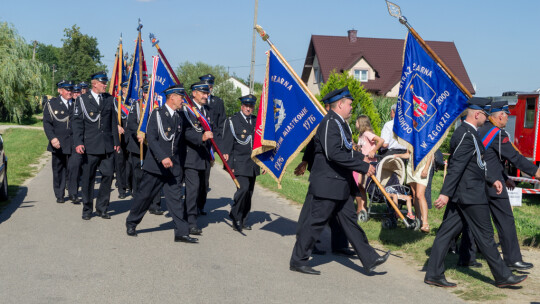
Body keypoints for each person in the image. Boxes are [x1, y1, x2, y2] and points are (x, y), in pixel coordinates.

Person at [424, 97, 527, 288]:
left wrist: (493, 179)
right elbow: (456, 166)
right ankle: (503, 276)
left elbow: (476, 165)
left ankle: (433, 274)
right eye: (485, 114)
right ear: (477, 114)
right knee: (486, 235)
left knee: (446, 234)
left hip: (465, 192)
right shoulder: (466, 134)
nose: (487, 118)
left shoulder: (470, 133)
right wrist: (445, 193)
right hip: (470, 194)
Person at [289, 86, 389, 275]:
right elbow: (333, 153)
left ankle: (370, 258)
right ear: (340, 104)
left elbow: (345, 150)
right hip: (328, 184)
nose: (352, 108)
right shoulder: (329, 123)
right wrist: (362, 167)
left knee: (350, 222)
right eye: (350, 104)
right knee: (315, 222)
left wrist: (362, 159)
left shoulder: (340, 123)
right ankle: (298, 260)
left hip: (339, 184)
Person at [463, 99, 539, 270]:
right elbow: (516, 158)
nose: (507, 119)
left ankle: (467, 256)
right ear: (501, 115)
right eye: (506, 115)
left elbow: (489, 159)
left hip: (480, 180)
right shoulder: (497, 134)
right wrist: (536, 173)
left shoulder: (483, 130)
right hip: (492, 184)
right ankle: (512, 259)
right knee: (505, 220)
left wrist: (505, 176)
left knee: (474, 220)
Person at [125, 84, 197, 243]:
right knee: (144, 196)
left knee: (176, 199)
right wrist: (163, 157)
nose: (182, 100)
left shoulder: (179, 116)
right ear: (172, 97)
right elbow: (152, 138)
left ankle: (181, 232)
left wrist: (203, 137)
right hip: (156, 166)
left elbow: (183, 138)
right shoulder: (156, 114)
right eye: (180, 97)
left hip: (173, 167)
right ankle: (132, 222)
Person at [72, 72, 120, 220]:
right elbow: (77, 123)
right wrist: (79, 142)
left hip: (107, 145)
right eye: (103, 83)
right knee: (88, 178)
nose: (106, 85)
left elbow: (113, 122)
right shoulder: (82, 100)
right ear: (94, 84)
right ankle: (87, 208)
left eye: (106, 82)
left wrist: (116, 142)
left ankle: (102, 207)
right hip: (90, 145)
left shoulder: (109, 99)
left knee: (107, 176)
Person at [222, 94, 261, 232]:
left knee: (249, 193)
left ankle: (244, 219)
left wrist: (265, 163)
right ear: (241, 106)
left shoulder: (257, 122)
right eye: (246, 106)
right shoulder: (233, 121)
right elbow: (227, 144)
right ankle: (235, 216)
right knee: (243, 189)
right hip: (239, 162)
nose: (248, 109)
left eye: (251, 106)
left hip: (253, 164)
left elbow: (261, 144)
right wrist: (229, 165)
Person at [126, 83, 163, 215]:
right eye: (146, 92)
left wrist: (149, 136)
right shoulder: (136, 105)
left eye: (150, 93)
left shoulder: (158, 107)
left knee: (155, 175)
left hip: (153, 147)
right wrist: (142, 134)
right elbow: (131, 124)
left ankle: (155, 204)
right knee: (139, 176)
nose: (148, 95)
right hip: (138, 146)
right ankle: (138, 201)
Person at [182, 81, 214, 234]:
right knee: (193, 190)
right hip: (191, 156)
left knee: (201, 188)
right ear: (194, 93)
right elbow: (186, 132)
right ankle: (191, 222)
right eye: (202, 93)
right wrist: (200, 137)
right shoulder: (186, 110)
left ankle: (185, 213)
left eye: (207, 93)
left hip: (204, 156)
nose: (205, 96)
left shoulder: (207, 110)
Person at [43, 80, 75, 203]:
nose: (69, 92)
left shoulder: (77, 103)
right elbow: (47, 123)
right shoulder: (52, 104)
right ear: (59, 91)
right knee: (59, 169)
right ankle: (59, 194)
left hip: (73, 142)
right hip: (58, 143)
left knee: (74, 168)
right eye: (67, 89)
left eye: (71, 89)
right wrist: (52, 138)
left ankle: (73, 193)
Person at [353, 115, 384, 214]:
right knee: (360, 186)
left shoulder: (367, 134)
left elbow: (381, 140)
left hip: (369, 164)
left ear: (361, 123)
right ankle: (362, 208)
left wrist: (374, 150)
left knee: (363, 185)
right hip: (362, 164)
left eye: (357, 122)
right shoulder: (361, 135)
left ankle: (363, 208)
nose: (355, 124)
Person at [406, 151, 433, 233]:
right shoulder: (411, 139)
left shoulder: (425, 138)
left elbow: (430, 154)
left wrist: (426, 168)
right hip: (411, 166)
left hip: (422, 166)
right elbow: (408, 154)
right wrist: (396, 155)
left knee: (420, 195)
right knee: (414, 194)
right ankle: (418, 220)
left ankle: (425, 223)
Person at [199, 74, 226, 150]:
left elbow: (221, 123)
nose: (209, 89)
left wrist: (219, 143)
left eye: (210, 87)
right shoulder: (195, 101)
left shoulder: (218, 102)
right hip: (200, 140)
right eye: (207, 87)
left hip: (214, 140)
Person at [114, 81, 130, 199]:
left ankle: (130, 184)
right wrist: (116, 125)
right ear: (123, 90)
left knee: (131, 163)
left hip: (132, 137)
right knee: (120, 163)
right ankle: (121, 188)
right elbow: (111, 117)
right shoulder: (116, 102)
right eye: (126, 88)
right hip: (120, 136)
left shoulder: (135, 102)